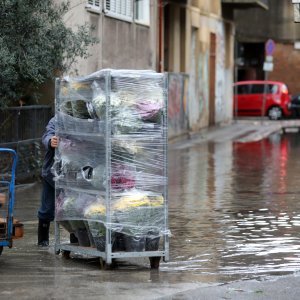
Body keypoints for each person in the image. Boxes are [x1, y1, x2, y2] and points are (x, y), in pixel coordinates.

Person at [37, 116, 58, 246]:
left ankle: (76, 238)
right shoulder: (57, 120)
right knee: (47, 207)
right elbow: (47, 135)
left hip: (75, 173)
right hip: (52, 172)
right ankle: (43, 240)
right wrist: (51, 141)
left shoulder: (85, 120)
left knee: (74, 207)